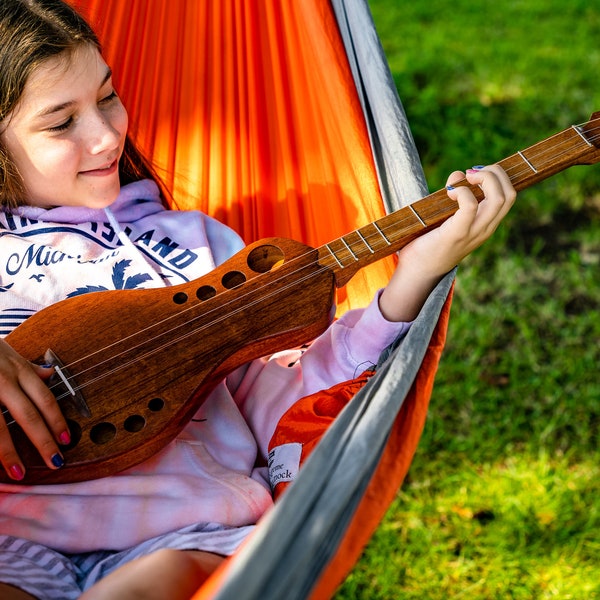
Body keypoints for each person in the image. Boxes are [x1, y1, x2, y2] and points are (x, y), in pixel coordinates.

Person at [0, 1, 516, 598]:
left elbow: (282, 396)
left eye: (108, 96)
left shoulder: (196, 249)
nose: (107, 133)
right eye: (62, 123)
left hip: (182, 535)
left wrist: (414, 276)